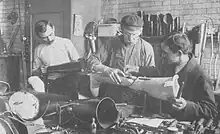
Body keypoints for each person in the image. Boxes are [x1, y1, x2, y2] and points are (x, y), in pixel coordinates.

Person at [86, 14, 155, 103]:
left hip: (136, 96)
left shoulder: (146, 48)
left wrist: (138, 69)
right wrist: (106, 69)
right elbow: (91, 60)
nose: (130, 38)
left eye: (134, 35)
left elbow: (152, 73)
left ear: (140, 31)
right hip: (112, 94)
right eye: (127, 34)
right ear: (121, 30)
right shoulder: (111, 43)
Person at [158, 32, 217, 121]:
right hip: (164, 120)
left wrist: (186, 105)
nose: (163, 56)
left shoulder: (200, 75)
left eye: (166, 53)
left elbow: (211, 110)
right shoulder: (168, 66)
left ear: (179, 53)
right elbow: (155, 72)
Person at [30, 20, 80, 100]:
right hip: (51, 84)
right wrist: (40, 71)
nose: (49, 39)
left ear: (53, 28)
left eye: (50, 34)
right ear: (39, 37)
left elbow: (77, 64)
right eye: (44, 38)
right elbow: (35, 71)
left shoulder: (66, 43)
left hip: (69, 82)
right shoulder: (38, 49)